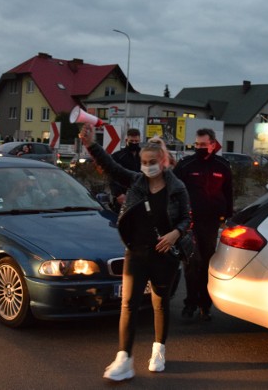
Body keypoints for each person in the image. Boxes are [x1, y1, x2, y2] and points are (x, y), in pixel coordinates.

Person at [79, 123, 191, 381]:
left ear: (163, 161)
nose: (147, 166)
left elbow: (187, 219)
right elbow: (112, 167)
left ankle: (158, 349)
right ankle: (124, 358)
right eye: (144, 161)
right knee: (128, 304)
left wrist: (176, 233)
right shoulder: (137, 181)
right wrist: (90, 144)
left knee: (160, 303)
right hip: (136, 253)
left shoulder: (177, 188)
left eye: (152, 161)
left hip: (164, 255)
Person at [173, 128, 233, 321]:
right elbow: (174, 193)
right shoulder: (186, 165)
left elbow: (229, 193)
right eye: (196, 144)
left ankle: (205, 305)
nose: (199, 147)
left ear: (212, 145)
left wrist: (228, 217)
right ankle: (190, 302)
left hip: (211, 222)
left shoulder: (222, 166)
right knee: (192, 262)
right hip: (189, 222)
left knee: (207, 262)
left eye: (203, 145)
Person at [109, 128, 142, 212]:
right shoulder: (118, 156)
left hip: (140, 195)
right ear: (126, 140)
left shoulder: (144, 155)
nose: (134, 143)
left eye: (136, 141)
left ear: (140, 140)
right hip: (123, 195)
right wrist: (118, 194)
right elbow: (111, 176)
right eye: (132, 141)